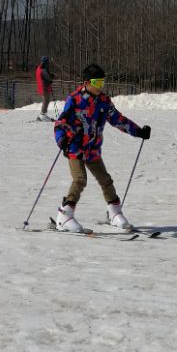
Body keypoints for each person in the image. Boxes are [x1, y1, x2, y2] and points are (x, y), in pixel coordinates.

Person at [53, 63, 150, 232]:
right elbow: (61, 122)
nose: (100, 87)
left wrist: (138, 131)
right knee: (80, 180)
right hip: (74, 147)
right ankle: (65, 215)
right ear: (86, 82)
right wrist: (62, 140)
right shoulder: (75, 100)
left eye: (102, 83)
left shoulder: (104, 102)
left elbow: (118, 120)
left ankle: (114, 213)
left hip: (93, 149)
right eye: (97, 83)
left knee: (105, 179)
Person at [35, 56, 54, 120]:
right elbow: (48, 79)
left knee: (45, 101)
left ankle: (42, 114)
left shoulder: (38, 69)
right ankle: (43, 115)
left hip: (41, 87)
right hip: (44, 88)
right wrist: (51, 77)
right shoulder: (43, 70)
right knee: (46, 101)